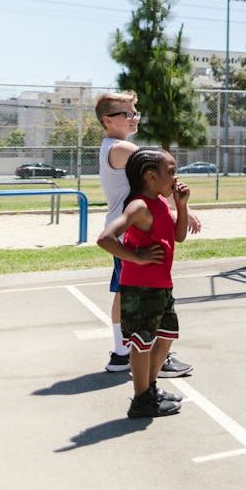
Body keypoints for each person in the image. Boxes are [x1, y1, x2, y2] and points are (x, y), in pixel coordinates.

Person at [95, 92, 196, 378]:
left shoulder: (112, 147)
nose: (134, 117)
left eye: (135, 111)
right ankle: (150, 357)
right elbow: (157, 175)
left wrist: (177, 212)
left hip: (132, 226)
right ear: (107, 120)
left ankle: (121, 353)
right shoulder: (122, 149)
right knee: (147, 295)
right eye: (127, 113)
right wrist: (181, 207)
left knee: (124, 292)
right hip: (134, 231)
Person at [97, 148, 190, 417]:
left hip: (161, 285)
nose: (175, 178)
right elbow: (106, 238)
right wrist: (136, 257)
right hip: (141, 288)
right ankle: (141, 399)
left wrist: (181, 205)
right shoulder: (138, 205)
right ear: (150, 176)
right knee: (142, 342)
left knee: (166, 336)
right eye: (171, 172)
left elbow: (179, 236)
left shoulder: (160, 203)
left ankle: (149, 389)